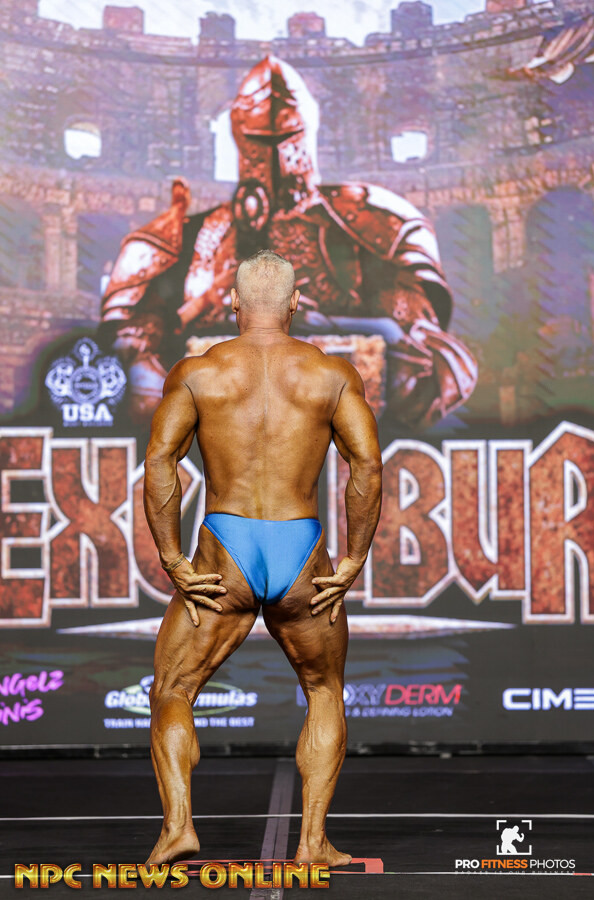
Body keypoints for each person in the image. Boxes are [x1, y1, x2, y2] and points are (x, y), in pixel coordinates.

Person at [143, 249, 382, 866]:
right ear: (297, 302)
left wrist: (172, 556)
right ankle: (313, 843)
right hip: (301, 551)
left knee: (173, 688)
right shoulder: (331, 374)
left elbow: (161, 462)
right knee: (324, 689)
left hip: (226, 549)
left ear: (233, 302)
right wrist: (354, 557)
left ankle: (178, 828)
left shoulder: (199, 372)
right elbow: (366, 465)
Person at [102, 56, 476, 425]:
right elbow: (128, 356)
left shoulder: (371, 222)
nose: (276, 155)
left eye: (286, 137)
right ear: (239, 136)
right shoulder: (194, 234)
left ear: (307, 131)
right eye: (260, 139)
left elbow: (430, 359)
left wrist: (327, 326)